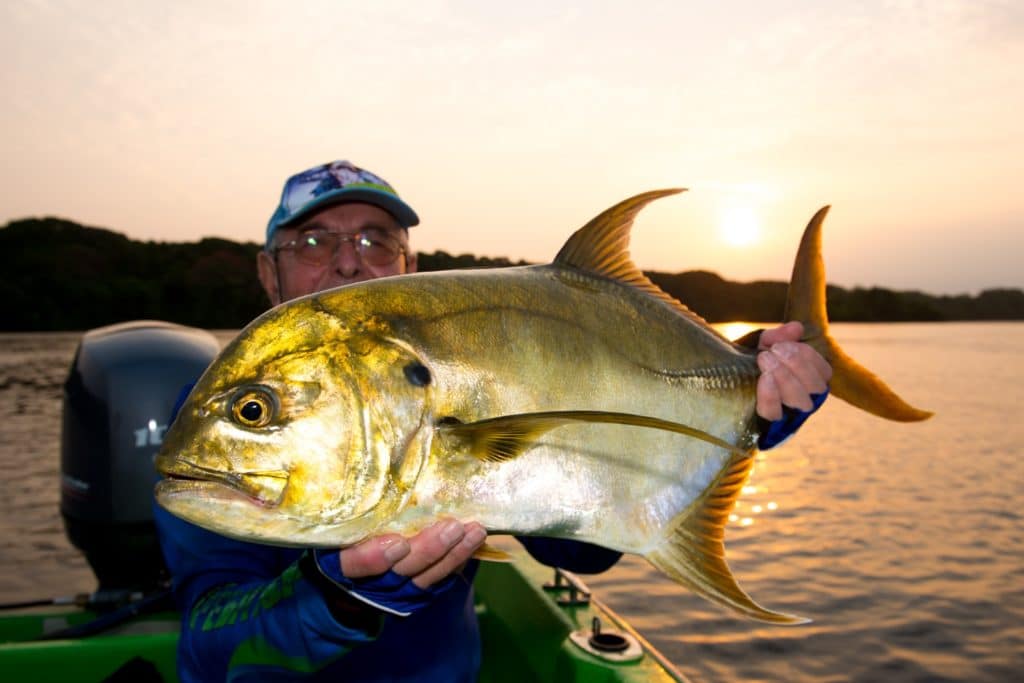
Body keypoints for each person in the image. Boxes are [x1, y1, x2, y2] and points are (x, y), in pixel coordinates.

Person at [155, 160, 831, 682]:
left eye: (375, 239)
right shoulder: (207, 438)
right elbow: (207, 639)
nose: (347, 259)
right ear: (268, 273)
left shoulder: (474, 338)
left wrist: (740, 415)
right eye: (312, 240)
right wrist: (338, 598)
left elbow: (578, 543)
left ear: (408, 265)